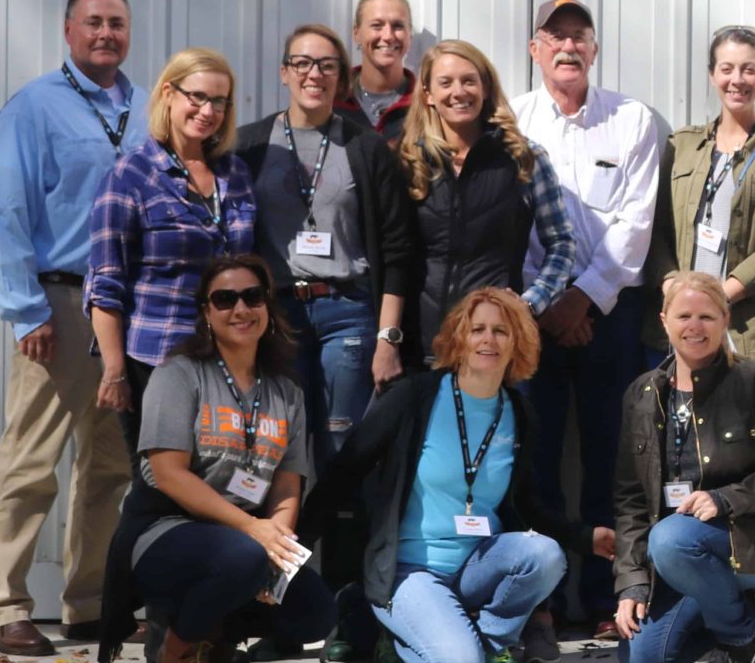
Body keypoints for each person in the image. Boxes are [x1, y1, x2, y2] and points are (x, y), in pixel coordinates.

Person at [304, 288, 584, 663]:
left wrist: (585, 537)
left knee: (545, 554)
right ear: (459, 338)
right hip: (410, 569)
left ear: (517, 343)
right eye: (478, 330)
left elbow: (527, 504)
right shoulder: (415, 397)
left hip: (475, 566)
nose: (488, 340)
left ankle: (490, 640)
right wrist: (292, 551)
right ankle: (389, 632)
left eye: (501, 331)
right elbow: (344, 473)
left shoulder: (518, 413)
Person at [0, 0, 139, 656]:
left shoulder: (143, 110)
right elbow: (6, 210)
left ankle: (89, 601)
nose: (106, 33)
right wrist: (24, 307)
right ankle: (6, 605)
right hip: (59, 303)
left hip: (125, 307)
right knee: (32, 456)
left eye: (117, 24)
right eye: (93, 22)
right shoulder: (35, 107)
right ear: (68, 30)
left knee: (109, 464)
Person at [91, 256, 326, 663]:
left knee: (314, 610)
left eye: (252, 297)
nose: (241, 309)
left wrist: (278, 543)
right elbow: (169, 475)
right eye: (225, 299)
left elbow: (289, 482)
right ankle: (179, 648)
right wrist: (253, 532)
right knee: (244, 558)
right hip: (165, 530)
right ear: (206, 312)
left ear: (268, 307)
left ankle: (214, 637)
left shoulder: (287, 390)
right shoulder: (177, 375)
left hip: (243, 540)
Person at [513, 0, 665, 655]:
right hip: (532, 313)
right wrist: (547, 302)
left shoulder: (631, 120)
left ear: (594, 50)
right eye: (555, 35)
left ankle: (610, 599)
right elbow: (511, 222)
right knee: (536, 455)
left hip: (611, 312)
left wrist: (584, 297)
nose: (568, 45)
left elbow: (636, 223)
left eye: (580, 35)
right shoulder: (512, 120)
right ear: (534, 47)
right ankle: (541, 600)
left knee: (613, 457)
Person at [610, 272, 755, 663]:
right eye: (684, 316)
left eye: (706, 316)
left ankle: (740, 637)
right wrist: (631, 584)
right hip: (675, 557)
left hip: (744, 539)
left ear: (725, 319)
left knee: (671, 538)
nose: (694, 327)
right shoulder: (643, 394)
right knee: (643, 662)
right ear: (664, 320)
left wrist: (725, 498)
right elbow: (631, 497)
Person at [237, 24, 419, 464]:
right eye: (302, 63)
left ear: (341, 77)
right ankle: (282, 533)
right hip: (278, 316)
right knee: (276, 443)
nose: (313, 74)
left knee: (344, 445)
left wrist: (388, 338)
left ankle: (341, 535)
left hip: (348, 316)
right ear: (284, 72)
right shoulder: (250, 145)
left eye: (326, 65)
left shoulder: (366, 147)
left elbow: (398, 249)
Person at [88, 48, 260, 459]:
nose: (207, 111)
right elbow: (105, 284)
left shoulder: (235, 174)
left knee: (220, 480)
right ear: (169, 93)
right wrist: (114, 373)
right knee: (160, 483)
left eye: (219, 101)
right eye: (197, 97)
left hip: (226, 359)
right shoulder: (130, 176)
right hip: (156, 360)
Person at [395, 39, 586, 352]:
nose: (459, 92)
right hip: (421, 343)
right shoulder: (410, 162)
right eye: (446, 83)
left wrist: (527, 306)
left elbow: (562, 244)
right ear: (428, 94)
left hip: (494, 345)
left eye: (469, 81)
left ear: (485, 88)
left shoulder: (524, 158)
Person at [653, 26, 755, 365]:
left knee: (742, 419)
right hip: (680, 328)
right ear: (712, 75)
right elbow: (656, 232)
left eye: (748, 69)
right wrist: (677, 295)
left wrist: (714, 299)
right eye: (727, 68)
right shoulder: (680, 146)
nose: (737, 79)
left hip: (749, 333)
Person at [339, 0, 417, 139]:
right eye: (377, 25)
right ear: (356, 33)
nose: (388, 36)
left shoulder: (425, 102)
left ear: (410, 35)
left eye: (398, 26)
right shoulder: (334, 98)